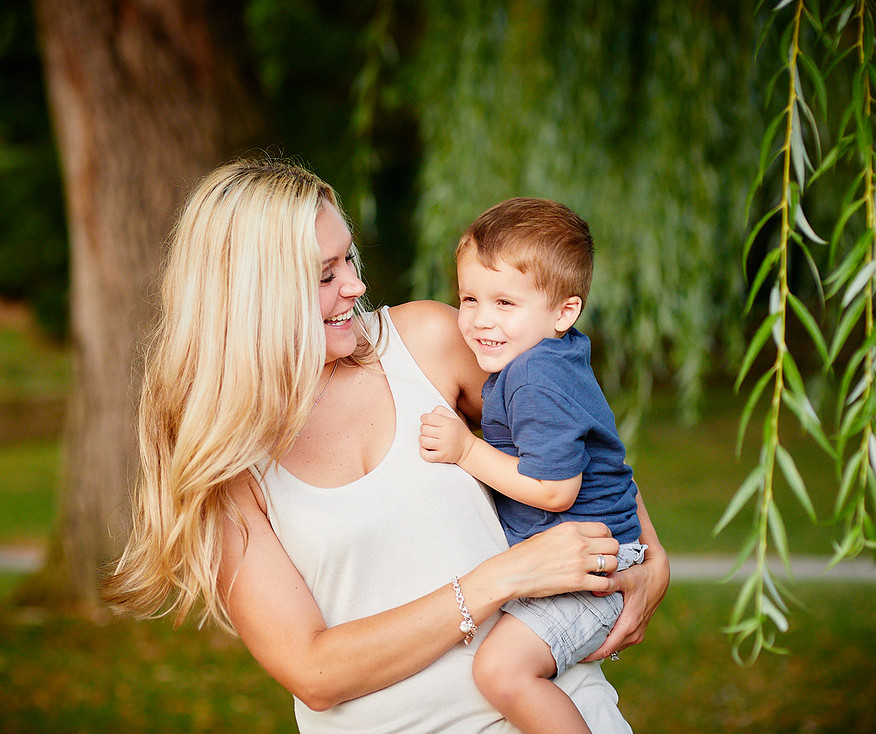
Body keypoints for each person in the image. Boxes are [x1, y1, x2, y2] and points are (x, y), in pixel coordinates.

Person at [102, 158, 669, 733]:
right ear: (254, 296)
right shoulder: (223, 461)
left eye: (348, 257)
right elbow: (314, 672)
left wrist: (649, 552)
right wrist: (501, 579)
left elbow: (571, 430)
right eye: (325, 275)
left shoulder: (427, 341)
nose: (356, 284)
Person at [418, 197, 645, 734]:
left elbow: (555, 488)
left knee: (501, 671)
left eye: (504, 303)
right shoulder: (540, 358)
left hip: (590, 571)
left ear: (564, 312)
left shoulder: (534, 376)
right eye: (469, 298)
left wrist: (466, 450)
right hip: (585, 559)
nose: (478, 320)